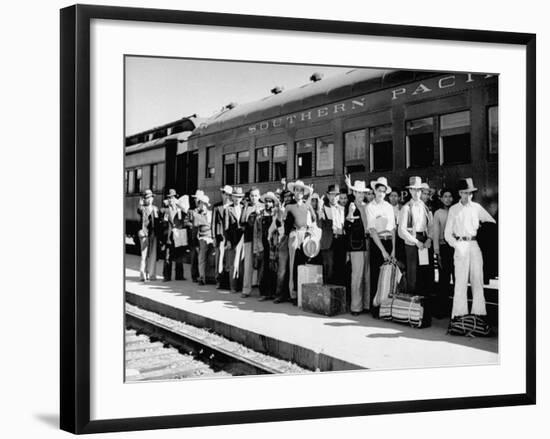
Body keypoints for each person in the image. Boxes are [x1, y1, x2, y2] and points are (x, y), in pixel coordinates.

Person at [444, 178, 496, 319]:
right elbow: (447, 234)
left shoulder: (477, 208)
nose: (468, 196)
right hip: (460, 244)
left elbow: (491, 222)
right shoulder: (454, 209)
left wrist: (482, 231)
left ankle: (479, 314)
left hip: (474, 245)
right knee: (460, 281)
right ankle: (459, 315)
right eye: (465, 193)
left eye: (470, 193)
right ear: (460, 193)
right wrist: (456, 245)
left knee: (477, 280)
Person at [398, 176, 434, 295]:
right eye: (414, 190)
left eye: (419, 190)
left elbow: (430, 225)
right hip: (412, 242)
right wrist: (416, 241)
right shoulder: (406, 208)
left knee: (424, 271)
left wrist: (429, 238)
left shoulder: (424, 207)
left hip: (423, 240)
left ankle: (423, 304)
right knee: (412, 272)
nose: (416, 193)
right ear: (410, 191)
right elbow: (401, 231)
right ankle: (411, 304)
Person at [366, 177, 396, 312]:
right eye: (379, 190)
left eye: (384, 191)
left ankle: (386, 307)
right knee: (376, 275)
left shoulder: (389, 207)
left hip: (389, 241)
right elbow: (372, 230)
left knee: (389, 275)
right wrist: (383, 251)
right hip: (377, 244)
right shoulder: (370, 207)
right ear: (374, 190)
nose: (381, 194)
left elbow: (393, 229)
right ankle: (375, 307)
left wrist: (393, 250)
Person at [285, 180, 317, 304]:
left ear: (304, 193)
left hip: (305, 235)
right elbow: (283, 222)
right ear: (294, 192)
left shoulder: (307, 205)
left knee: (304, 263)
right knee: (293, 264)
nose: (299, 193)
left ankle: (303, 292)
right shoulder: (289, 206)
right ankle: (293, 293)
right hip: (294, 234)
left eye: (301, 191)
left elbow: (314, 218)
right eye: (297, 190)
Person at [343, 177, 371, 315]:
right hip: (356, 245)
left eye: (362, 193)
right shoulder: (351, 205)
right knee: (357, 276)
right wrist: (348, 218)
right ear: (354, 193)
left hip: (368, 242)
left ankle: (366, 305)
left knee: (367, 275)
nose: (361, 195)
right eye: (358, 192)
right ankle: (356, 306)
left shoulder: (367, 206)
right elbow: (346, 227)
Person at [433, 188, 454, 318]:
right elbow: (435, 233)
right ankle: (442, 309)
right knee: (444, 279)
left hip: (456, 248)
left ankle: (456, 310)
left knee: (457, 278)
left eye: (450, 196)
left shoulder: (456, 210)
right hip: (444, 247)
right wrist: (437, 251)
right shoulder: (438, 213)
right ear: (441, 199)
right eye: (445, 196)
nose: (448, 199)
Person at [318, 184, 345, 285]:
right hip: (328, 242)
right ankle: (327, 295)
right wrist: (319, 210)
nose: (334, 197)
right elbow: (320, 223)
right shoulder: (323, 208)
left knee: (339, 268)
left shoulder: (341, 208)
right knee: (328, 268)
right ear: (328, 195)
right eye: (332, 194)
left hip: (339, 240)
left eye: (336, 195)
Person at [254, 191, 279, 301]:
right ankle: (264, 293)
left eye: (270, 202)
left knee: (273, 269)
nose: (268, 204)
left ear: (273, 203)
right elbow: (256, 232)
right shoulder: (260, 216)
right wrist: (257, 247)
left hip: (273, 245)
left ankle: (273, 293)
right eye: (266, 202)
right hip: (263, 244)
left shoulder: (275, 215)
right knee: (263, 269)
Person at [240, 187, 264, 297]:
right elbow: (242, 223)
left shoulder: (263, 206)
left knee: (261, 264)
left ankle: (261, 289)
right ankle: (246, 289)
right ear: (249, 196)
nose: (254, 198)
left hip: (261, 240)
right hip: (249, 238)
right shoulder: (246, 207)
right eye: (252, 195)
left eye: (256, 195)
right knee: (248, 265)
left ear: (259, 196)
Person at [161, 189, 187, 281]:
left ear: (176, 198)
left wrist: (179, 204)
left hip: (178, 235)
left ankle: (179, 275)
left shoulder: (179, 209)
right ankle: (167, 276)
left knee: (179, 256)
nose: (171, 200)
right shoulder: (166, 210)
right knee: (168, 256)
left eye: (172, 197)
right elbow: (163, 224)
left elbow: (185, 212)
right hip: (169, 236)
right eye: (169, 198)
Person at [224, 187, 246, 294]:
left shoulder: (244, 207)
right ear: (232, 197)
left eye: (239, 197)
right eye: (235, 197)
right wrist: (227, 240)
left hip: (242, 239)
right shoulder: (228, 209)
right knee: (233, 263)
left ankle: (241, 286)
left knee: (241, 264)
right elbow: (226, 227)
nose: (237, 199)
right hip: (232, 239)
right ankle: (233, 286)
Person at [137, 189, 160, 281]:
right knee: (144, 255)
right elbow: (139, 209)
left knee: (153, 255)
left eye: (151, 197)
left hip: (153, 233)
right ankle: (142, 275)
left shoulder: (155, 208)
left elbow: (158, 222)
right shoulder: (142, 208)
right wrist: (141, 201)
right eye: (147, 198)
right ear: (144, 199)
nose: (150, 199)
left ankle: (152, 275)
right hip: (144, 233)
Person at [212, 185, 233, 289]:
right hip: (220, 236)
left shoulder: (233, 206)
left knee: (229, 259)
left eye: (228, 194)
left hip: (230, 236)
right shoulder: (217, 206)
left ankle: (228, 282)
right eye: (224, 193)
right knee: (219, 259)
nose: (226, 196)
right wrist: (213, 237)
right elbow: (213, 223)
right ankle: (218, 280)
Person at [273, 190, 292, 303]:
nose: (288, 198)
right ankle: (279, 294)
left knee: (291, 269)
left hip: (294, 238)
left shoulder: (295, 206)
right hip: (284, 239)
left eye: (289, 196)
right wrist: (280, 213)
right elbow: (278, 224)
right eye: (285, 196)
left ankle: (290, 294)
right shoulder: (281, 208)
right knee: (282, 270)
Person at [191, 192, 213, 285]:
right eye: (201, 203)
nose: (203, 206)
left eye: (204, 204)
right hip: (202, 237)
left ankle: (210, 277)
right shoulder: (196, 214)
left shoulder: (210, 213)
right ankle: (202, 277)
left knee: (211, 258)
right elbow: (196, 226)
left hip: (211, 237)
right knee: (202, 258)